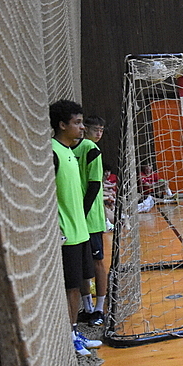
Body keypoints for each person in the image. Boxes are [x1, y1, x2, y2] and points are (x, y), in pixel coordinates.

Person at [49, 100, 102, 355]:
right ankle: (69, 337)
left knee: (80, 284)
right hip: (66, 234)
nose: (82, 127)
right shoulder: (52, 153)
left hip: (80, 231)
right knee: (70, 287)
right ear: (62, 125)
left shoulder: (69, 151)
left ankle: (73, 331)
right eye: (77, 123)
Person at [72, 114, 108, 327]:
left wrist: (82, 212)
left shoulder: (92, 149)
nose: (99, 134)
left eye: (102, 130)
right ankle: (87, 308)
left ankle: (99, 308)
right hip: (75, 217)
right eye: (97, 129)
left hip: (90, 218)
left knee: (97, 262)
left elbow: (95, 185)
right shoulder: (70, 148)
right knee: (82, 265)